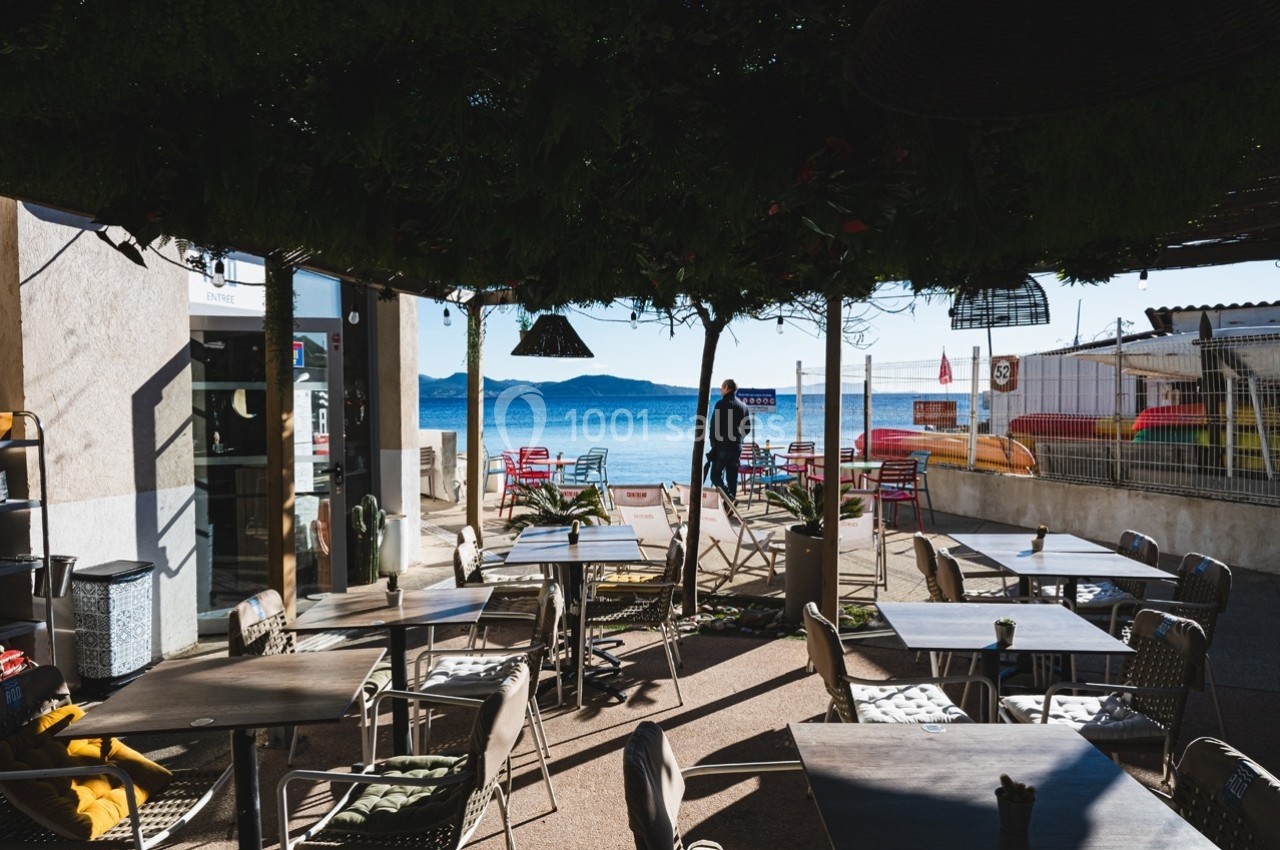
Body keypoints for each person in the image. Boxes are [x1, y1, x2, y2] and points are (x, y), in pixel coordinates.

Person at [708, 378, 751, 501]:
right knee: (732, 477)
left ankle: (728, 496)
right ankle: (730, 508)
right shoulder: (743, 406)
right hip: (737, 447)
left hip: (722, 446)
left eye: (722, 386)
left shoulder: (720, 404)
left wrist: (713, 444)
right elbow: (747, 429)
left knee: (715, 475)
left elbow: (714, 426)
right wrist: (739, 438)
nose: (721, 389)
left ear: (727, 387)